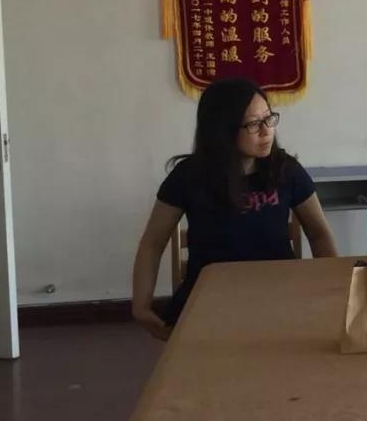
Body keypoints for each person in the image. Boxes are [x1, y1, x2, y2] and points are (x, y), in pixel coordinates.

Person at [131, 78, 337, 339]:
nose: (267, 131)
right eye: (253, 124)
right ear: (223, 130)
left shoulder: (286, 170)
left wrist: (334, 287)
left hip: (279, 295)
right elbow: (153, 242)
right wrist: (141, 304)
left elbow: (318, 232)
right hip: (210, 300)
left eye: (269, 118)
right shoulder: (189, 176)